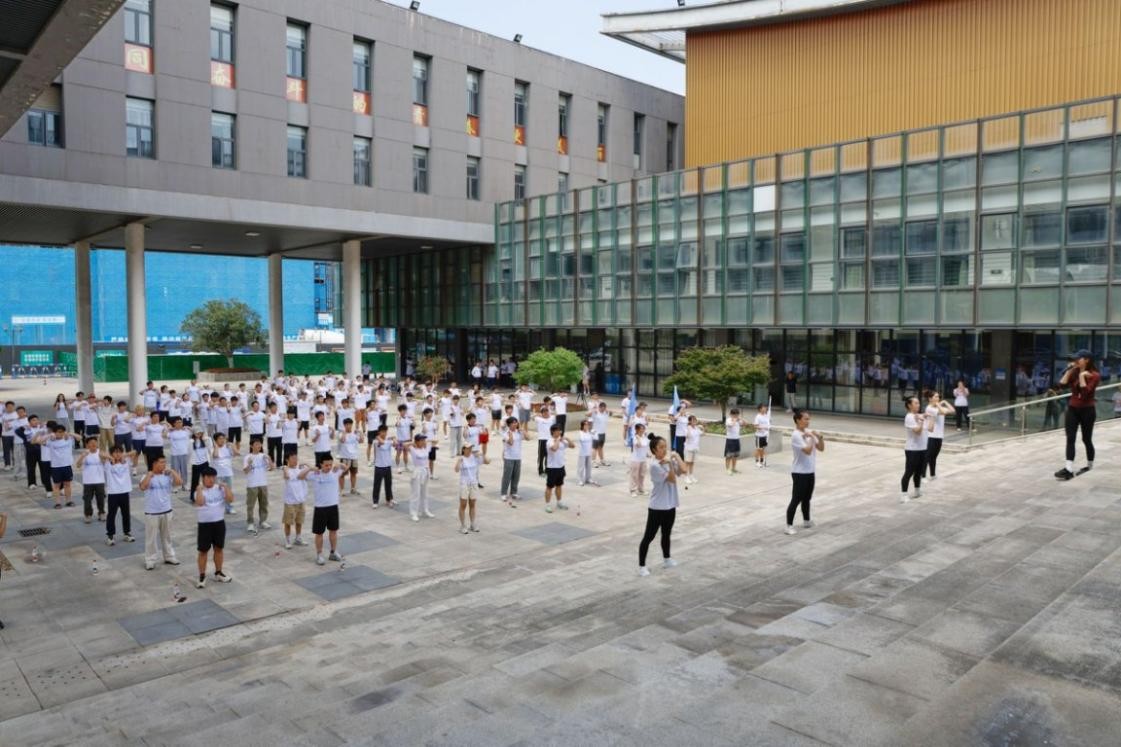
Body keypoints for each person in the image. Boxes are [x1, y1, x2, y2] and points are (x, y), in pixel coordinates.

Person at [637, 435, 683, 577]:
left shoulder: (668, 461)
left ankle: (667, 559)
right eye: (661, 447)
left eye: (665, 447)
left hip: (670, 505)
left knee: (666, 533)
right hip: (657, 507)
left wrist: (677, 456)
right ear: (654, 450)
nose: (664, 450)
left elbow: (684, 470)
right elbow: (672, 479)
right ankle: (642, 566)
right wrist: (670, 464)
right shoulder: (654, 466)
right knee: (649, 536)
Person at [1055, 349, 1101, 480]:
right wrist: (1069, 371)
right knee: (1070, 438)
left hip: (1087, 410)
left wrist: (1081, 376)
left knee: (1086, 439)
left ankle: (1089, 465)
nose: (1075, 361)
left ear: (1087, 360)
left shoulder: (1094, 375)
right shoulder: (1074, 371)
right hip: (1073, 409)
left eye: (1078, 358)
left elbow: (1085, 393)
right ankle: (1068, 469)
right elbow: (1061, 385)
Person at [785, 409, 825, 535]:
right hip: (799, 472)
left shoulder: (808, 432)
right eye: (805, 419)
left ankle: (806, 521)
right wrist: (812, 437)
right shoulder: (796, 435)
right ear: (798, 420)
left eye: (809, 419)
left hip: (810, 471)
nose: (808, 421)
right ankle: (789, 526)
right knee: (796, 499)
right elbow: (807, 451)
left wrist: (820, 437)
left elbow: (821, 448)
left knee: (807, 498)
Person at [193, 466, 234, 588]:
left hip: (219, 523)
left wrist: (226, 487)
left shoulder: (219, 489)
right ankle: (202, 575)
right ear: (203, 478)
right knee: (203, 551)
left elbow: (230, 499)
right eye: (208, 477)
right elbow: (200, 502)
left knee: (219, 548)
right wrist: (199, 489)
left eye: (213, 477)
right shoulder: (199, 490)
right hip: (204, 525)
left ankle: (218, 572)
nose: (211, 479)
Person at [140, 455, 182, 570]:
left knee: (167, 536)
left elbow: (179, 482)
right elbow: (143, 487)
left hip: (167, 510)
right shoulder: (146, 476)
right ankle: (150, 559)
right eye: (161, 462)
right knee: (151, 538)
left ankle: (169, 556)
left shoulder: (167, 476)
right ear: (154, 464)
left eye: (165, 462)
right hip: (152, 512)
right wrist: (149, 475)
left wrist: (173, 471)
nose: (164, 464)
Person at [308, 456, 345, 565]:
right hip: (320, 508)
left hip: (333, 506)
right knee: (319, 533)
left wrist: (339, 464)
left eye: (330, 465)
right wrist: (310, 468)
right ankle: (319, 555)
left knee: (333, 530)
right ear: (321, 464)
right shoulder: (316, 474)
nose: (329, 467)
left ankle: (333, 552)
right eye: (326, 465)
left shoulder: (335, 472)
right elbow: (300, 475)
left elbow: (346, 467)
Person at [901, 396, 929, 503]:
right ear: (909, 405)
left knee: (918, 472)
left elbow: (923, 418)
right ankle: (904, 494)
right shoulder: (909, 417)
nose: (918, 405)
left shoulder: (917, 415)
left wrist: (924, 416)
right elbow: (917, 431)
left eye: (918, 403)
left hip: (922, 448)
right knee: (909, 472)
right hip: (912, 449)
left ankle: (917, 490)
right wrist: (921, 421)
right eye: (916, 403)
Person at [104, 445, 135, 545]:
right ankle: (110, 535)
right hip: (113, 493)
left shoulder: (126, 462)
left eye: (119, 452)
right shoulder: (108, 463)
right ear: (111, 453)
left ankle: (127, 533)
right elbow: (101, 454)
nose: (117, 454)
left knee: (126, 513)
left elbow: (134, 452)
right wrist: (111, 458)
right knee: (111, 514)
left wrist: (123, 456)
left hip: (124, 492)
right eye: (115, 452)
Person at [43, 424, 77, 509]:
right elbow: (38, 441)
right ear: (54, 433)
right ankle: (57, 503)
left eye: (62, 432)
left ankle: (68, 501)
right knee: (57, 485)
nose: (60, 434)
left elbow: (79, 438)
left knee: (67, 484)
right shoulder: (51, 441)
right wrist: (49, 435)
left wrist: (69, 433)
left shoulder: (68, 440)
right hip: (56, 466)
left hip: (67, 465)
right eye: (58, 432)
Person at [243, 439, 273, 534]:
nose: (259, 446)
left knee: (264, 504)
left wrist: (269, 459)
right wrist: (250, 464)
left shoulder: (263, 456)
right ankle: (250, 523)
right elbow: (245, 471)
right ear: (251, 446)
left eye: (260, 444)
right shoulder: (248, 457)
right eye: (256, 444)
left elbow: (271, 468)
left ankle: (263, 521)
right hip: (252, 484)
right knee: (250, 505)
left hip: (263, 484)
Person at [923, 390, 954, 481]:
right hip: (931, 436)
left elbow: (952, 410)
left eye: (938, 396)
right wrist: (938, 405)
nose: (938, 398)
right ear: (930, 399)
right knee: (927, 456)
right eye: (936, 397)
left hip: (939, 436)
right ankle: (922, 476)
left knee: (934, 456)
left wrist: (945, 402)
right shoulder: (929, 408)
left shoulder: (938, 407)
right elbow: (943, 412)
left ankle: (933, 475)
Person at [282, 452, 310, 549]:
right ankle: (287, 540)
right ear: (287, 459)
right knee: (288, 522)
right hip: (290, 501)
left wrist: (305, 463)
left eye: (296, 458)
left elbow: (311, 470)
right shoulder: (286, 470)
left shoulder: (300, 469)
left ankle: (298, 538)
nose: (295, 460)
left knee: (299, 521)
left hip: (301, 500)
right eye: (293, 458)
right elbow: (286, 476)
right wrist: (285, 468)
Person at [544, 424, 574, 512]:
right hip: (552, 468)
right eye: (558, 430)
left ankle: (559, 502)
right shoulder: (549, 441)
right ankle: (548, 505)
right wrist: (557, 440)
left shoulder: (562, 441)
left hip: (561, 466)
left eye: (560, 430)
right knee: (549, 487)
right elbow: (554, 448)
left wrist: (567, 439)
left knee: (559, 485)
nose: (560, 432)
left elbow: (572, 446)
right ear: (553, 431)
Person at [78, 437, 108, 524]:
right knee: (87, 499)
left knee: (101, 499)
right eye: (91, 442)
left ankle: (101, 513)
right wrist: (82, 456)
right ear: (87, 445)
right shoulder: (85, 454)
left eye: (95, 442)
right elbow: (78, 465)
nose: (93, 444)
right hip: (88, 481)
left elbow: (107, 461)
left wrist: (104, 456)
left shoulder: (101, 453)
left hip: (100, 480)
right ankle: (88, 515)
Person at [454, 444, 481, 533]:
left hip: (473, 483)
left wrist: (482, 454)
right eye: (468, 448)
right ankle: (463, 525)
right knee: (463, 504)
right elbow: (456, 470)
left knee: (472, 504)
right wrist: (459, 461)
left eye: (470, 448)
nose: (470, 450)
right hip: (464, 484)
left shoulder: (474, 457)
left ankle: (472, 524)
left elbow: (488, 461)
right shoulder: (462, 459)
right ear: (463, 450)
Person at [408, 433, 434, 522]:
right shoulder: (413, 450)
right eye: (421, 440)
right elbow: (404, 445)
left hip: (426, 471)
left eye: (424, 440)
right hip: (418, 471)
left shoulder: (425, 448)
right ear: (417, 441)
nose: (423, 442)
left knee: (425, 492)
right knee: (416, 493)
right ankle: (414, 513)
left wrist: (427, 441)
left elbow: (435, 441)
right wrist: (413, 443)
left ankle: (425, 510)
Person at [370, 425, 396, 508]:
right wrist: (378, 437)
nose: (384, 433)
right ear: (379, 432)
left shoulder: (388, 440)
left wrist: (394, 438)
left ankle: (389, 500)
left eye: (385, 431)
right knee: (377, 485)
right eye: (382, 432)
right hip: (379, 466)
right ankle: (375, 501)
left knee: (388, 484)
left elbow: (395, 445)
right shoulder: (376, 441)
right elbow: (381, 442)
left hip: (387, 466)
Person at [500, 417, 522, 506]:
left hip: (518, 457)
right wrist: (511, 434)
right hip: (508, 457)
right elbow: (511, 442)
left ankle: (514, 492)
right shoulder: (505, 433)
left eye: (516, 422)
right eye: (513, 423)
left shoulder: (519, 432)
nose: (515, 424)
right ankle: (503, 493)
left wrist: (522, 431)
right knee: (507, 476)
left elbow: (529, 438)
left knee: (516, 476)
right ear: (509, 425)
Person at [628, 423, 650, 497]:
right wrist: (638, 437)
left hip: (643, 459)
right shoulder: (635, 438)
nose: (642, 430)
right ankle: (633, 490)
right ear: (636, 430)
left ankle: (641, 489)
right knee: (634, 475)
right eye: (641, 429)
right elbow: (639, 445)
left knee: (642, 475)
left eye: (643, 429)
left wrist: (647, 453)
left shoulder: (644, 437)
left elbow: (646, 446)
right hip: (635, 460)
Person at [576, 419, 599, 487]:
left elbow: (596, 438)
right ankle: (580, 480)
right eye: (585, 425)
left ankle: (588, 478)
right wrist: (590, 433)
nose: (587, 426)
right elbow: (582, 439)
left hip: (589, 452)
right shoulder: (580, 433)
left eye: (587, 424)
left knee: (589, 466)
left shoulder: (589, 432)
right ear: (582, 426)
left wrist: (594, 432)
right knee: (581, 467)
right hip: (582, 453)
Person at [534, 402, 554, 476]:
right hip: (542, 440)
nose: (546, 413)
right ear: (541, 413)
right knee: (541, 456)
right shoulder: (538, 419)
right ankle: (540, 471)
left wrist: (550, 410)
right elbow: (532, 416)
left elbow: (556, 414)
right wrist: (538, 414)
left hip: (550, 440)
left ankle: (547, 470)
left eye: (547, 412)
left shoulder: (552, 418)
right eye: (544, 412)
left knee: (548, 456)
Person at [682, 415, 702, 484]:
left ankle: (691, 476)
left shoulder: (697, 428)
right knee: (687, 463)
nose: (694, 421)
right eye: (693, 420)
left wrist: (703, 428)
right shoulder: (687, 428)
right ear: (690, 421)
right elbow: (687, 436)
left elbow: (703, 434)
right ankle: (686, 477)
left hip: (695, 448)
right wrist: (688, 429)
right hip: (689, 448)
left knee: (692, 463)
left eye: (695, 420)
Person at [592, 401, 611, 467]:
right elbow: (587, 414)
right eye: (602, 408)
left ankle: (602, 460)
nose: (603, 409)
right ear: (599, 407)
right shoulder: (595, 413)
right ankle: (593, 461)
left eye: (604, 408)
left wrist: (606, 410)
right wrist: (594, 409)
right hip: (596, 433)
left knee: (600, 447)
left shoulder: (606, 414)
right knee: (595, 448)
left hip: (603, 433)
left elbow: (612, 411)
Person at [724, 408, 743, 475]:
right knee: (729, 455)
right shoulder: (728, 420)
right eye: (734, 415)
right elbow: (731, 425)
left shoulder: (738, 420)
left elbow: (744, 424)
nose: (736, 416)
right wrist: (734, 420)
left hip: (737, 439)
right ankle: (727, 469)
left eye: (737, 415)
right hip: (730, 439)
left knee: (735, 455)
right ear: (731, 414)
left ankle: (733, 468)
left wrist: (740, 419)